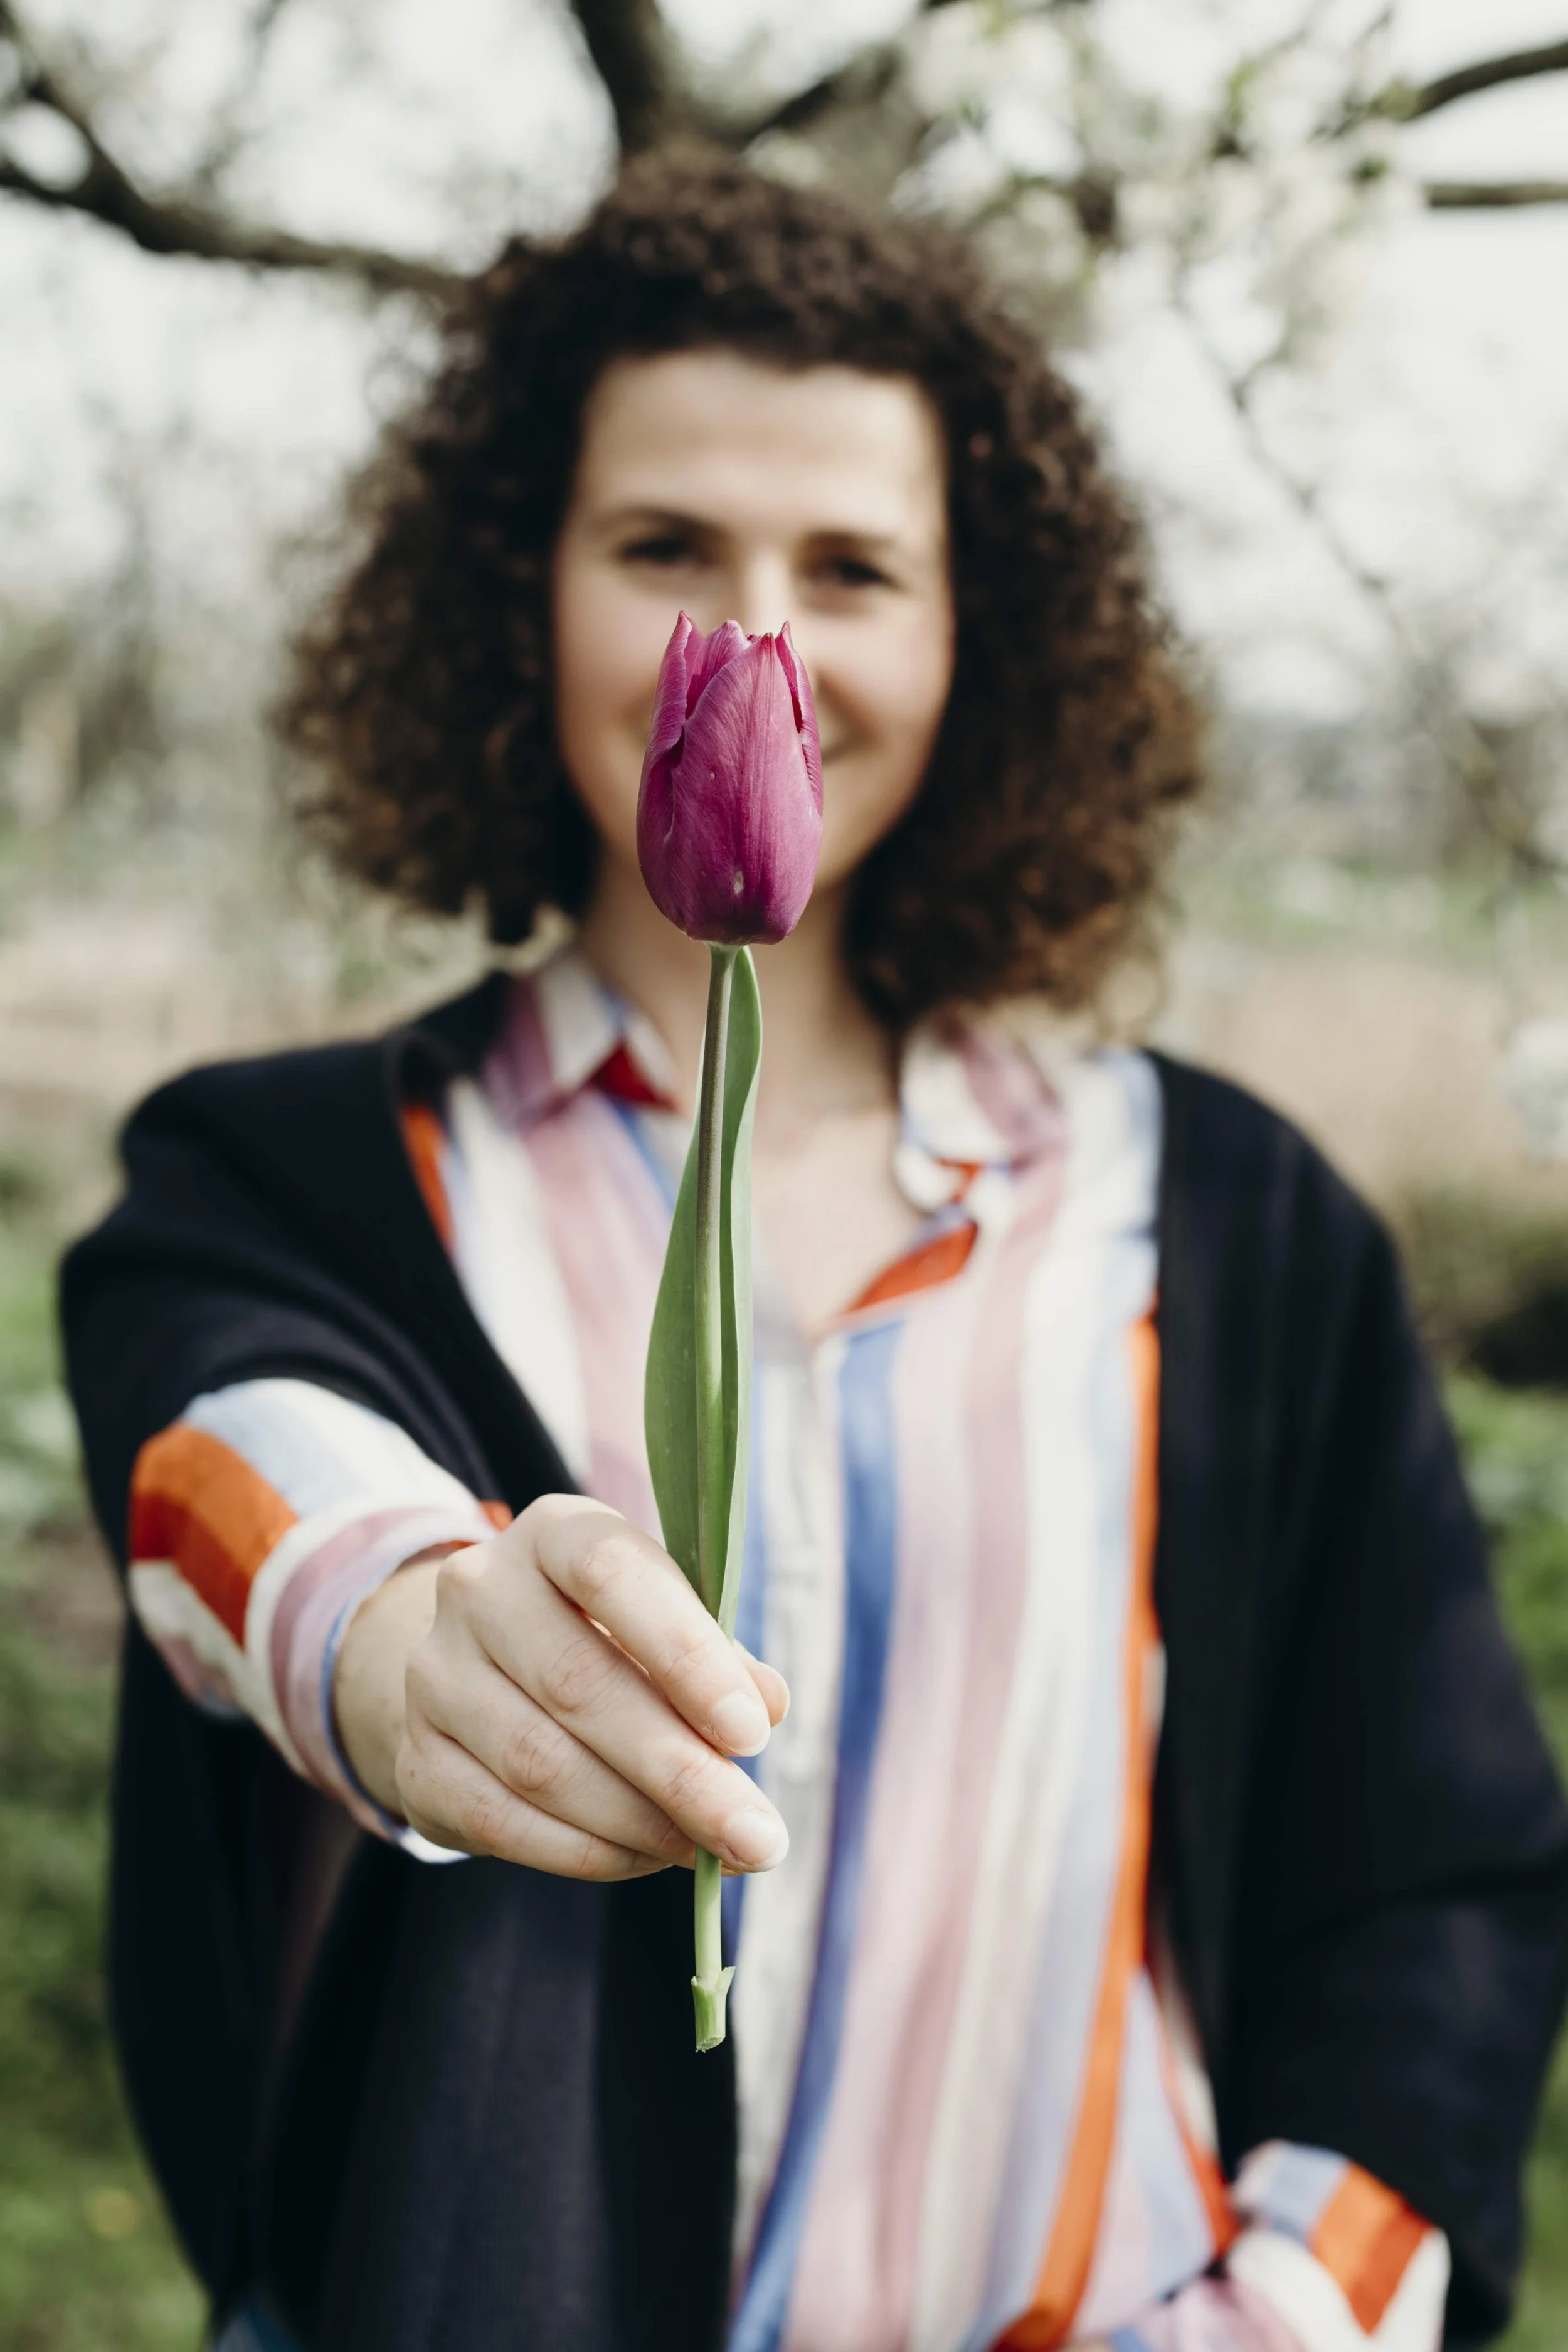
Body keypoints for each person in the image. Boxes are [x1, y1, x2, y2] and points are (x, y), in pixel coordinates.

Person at [63, 153, 1568, 2352]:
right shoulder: (300, 1172)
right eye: (662, 546)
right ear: (517, 591)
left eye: (850, 565)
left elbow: (1427, 1882)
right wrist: (395, 1629)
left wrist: (1299, 2312)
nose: (749, 633)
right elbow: (223, 1464)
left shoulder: (1226, 1227)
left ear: (980, 637)